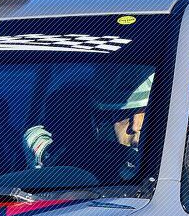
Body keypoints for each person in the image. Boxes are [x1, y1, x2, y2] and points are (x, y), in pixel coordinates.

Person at [24, 66, 153, 182]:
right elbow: (34, 139)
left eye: (148, 114)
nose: (136, 126)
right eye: (125, 115)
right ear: (102, 123)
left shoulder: (161, 170)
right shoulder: (76, 174)